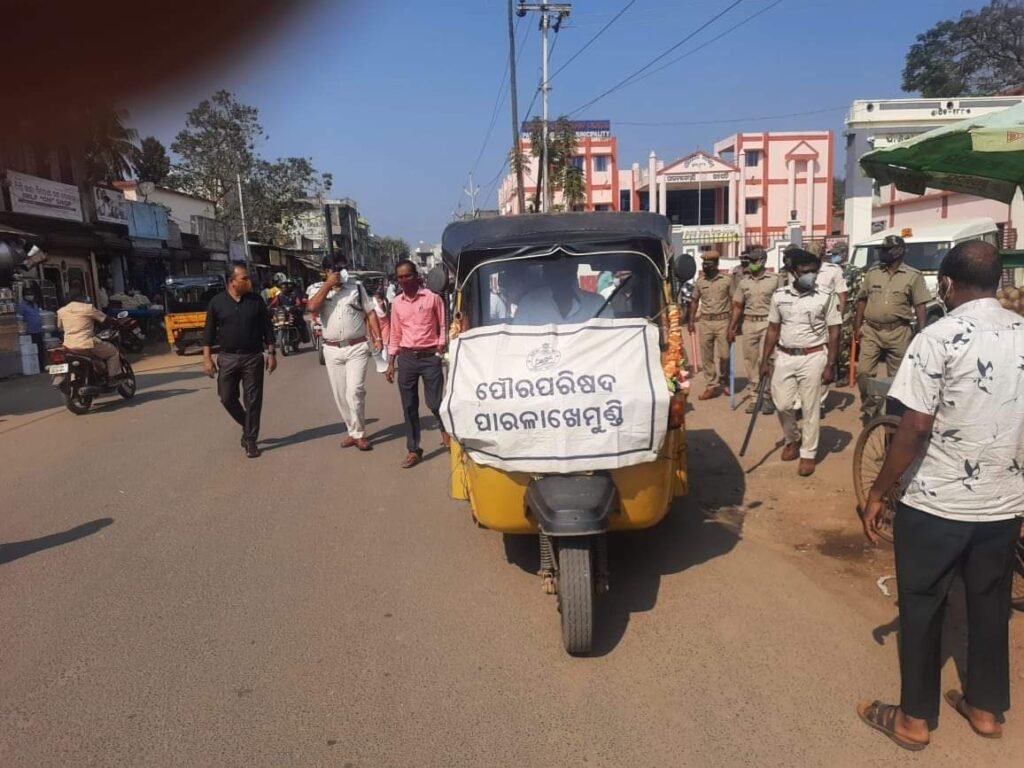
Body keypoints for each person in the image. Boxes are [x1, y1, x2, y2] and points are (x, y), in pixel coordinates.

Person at [857, 241, 1024, 752]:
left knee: (922, 604)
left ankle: (913, 719)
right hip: (1002, 504)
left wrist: (879, 491)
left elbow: (914, 426)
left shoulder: (937, 337)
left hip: (937, 504)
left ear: (947, 284)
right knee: (989, 604)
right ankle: (985, 709)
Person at [759, 248, 840, 477]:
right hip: (785, 356)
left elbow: (835, 331)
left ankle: (808, 453)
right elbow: (773, 329)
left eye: (814, 271)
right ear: (793, 272)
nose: (810, 276)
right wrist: (764, 360)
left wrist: (830, 364)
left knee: (810, 407)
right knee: (782, 404)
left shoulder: (826, 296)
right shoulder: (780, 296)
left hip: (813, 356)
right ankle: (792, 438)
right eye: (805, 272)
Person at [202, 261, 276, 459]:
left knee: (253, 400)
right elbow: (208, 332)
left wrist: (271, 353)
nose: (249, 281)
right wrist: (207, 358)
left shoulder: (256, 301)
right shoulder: (217, 302)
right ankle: (247, 423)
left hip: (253, 357)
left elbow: (267, 328)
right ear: (232, 281)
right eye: (245, 278)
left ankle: (250, 440)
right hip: (228, 358)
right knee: (226, 397)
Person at [306, 260, 383, 451]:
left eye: (341, 270)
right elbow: (312, 308)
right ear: (326, 271)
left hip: (356, 347)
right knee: (340, 394)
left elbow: (370, 313)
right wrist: (327, 285)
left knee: (355, 390)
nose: (339, 273)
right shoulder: (316, 289)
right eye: (335, 270)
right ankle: (353, 430)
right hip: (332, 349)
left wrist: (378, 337)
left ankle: (359, 433)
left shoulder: (356, 288)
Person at [853, 235, 929, 417]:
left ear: (899, 251)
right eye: (882, 250)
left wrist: (922, 333)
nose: (883, 253)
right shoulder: (873, 273)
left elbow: (920, 306)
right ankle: (871, 408)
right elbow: (862, 300)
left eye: (887, 250)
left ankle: (893, 416)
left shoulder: (913, 276)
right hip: (872, 330)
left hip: (899, 332)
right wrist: (857, 326)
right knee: (863, 372)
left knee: (897, 378)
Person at [386, 259, 448, 468]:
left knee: (435, 403)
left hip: (430, 358)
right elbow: (395, 332)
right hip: (407, 359)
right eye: (400, 277)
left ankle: (445, 430)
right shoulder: (396, 303)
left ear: (417, 276)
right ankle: (414, 450)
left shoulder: (432, 298)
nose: (404, 280)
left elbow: (443, 324)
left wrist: (440, 347)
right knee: (409, 405)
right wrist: (391, 362)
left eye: (408, 276)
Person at [728, 248, 778, 414]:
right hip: (749, 323)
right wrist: (732, 327)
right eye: (750, 260)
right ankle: (755, 397)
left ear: (763, 261)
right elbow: (737, 306)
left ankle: (768, 396)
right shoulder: (744, 282)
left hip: (768, 323)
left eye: (754, 260)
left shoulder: (775, 280)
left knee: (767, 359)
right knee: (750, 360)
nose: (750, 263)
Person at [689, 251, 732, 400]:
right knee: (706, 356)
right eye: (704, 264)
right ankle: (711, 386)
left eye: (709, 264)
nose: (705, 267)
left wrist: (735, 324)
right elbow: (694, 301)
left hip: (723, 321)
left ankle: (724, 380)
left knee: (725, 355)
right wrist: (691, 321)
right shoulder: (700, 282)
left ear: (716, 264)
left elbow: (735, 300)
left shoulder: (727, 280)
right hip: (705, 322)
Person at [512, 258, 605, 325]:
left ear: (575, 269)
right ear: (546, 272)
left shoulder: (597, 304)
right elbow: (519, 342)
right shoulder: (528, 305)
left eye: (566, 266)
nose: (562, 272)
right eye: (556, 267)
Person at [56, 286, 121, 380]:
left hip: (68, 346)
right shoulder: (87, 308)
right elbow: (105, 319)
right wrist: (114, 322)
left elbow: (60, 327)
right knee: (113, 353)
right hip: (86, 343)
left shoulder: (61, 311)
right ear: (81, 297)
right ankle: (113, 378)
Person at [16, 287, 47, 372]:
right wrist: (22, 330)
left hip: (39, 330)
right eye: (28, 295)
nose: (31, 296)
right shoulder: (22, 306)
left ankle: (42, 367)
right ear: (25, 296)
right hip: (30, 332)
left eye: (31, 294)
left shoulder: (35, 305)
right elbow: (19, 319)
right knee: (34, 350)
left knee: (40, 349)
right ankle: (36, 368)